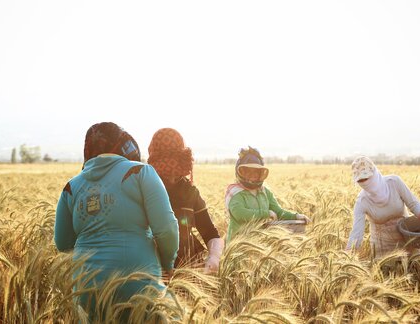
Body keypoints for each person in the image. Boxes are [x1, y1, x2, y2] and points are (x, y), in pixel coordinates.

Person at [54, 122, 179, 320]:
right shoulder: (140, 172)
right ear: (123, 145)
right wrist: (167, 264)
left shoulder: (71, 187)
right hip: (140, 283)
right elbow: (167, 229)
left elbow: (62, 243)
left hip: (87, 289)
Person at [148, 128, 224, 273]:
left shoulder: (190, 192)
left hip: (189, 267)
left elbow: (209, 232)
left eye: (176, 173)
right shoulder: (144, 188)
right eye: (165, 173)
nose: (171, 179)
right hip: (153, 270)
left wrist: (214, 257)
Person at [346, 156, 420, 258]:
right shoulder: (362, 201)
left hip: (408, 240)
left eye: (366, 178)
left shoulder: (394, 182)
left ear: (375, 173)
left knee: (413, 269)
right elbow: (356, 233)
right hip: (382, 248)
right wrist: (347, 257)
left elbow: (413, 204)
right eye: (360, 181)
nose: (365, 183)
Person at [224, 147, 311, 242]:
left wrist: (296, 216)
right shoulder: (236, 193)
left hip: (259, 243)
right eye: (248, 171)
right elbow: (240, 213)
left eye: (256, 172)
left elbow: (278, 211)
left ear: (261, 173)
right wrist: (266, 213)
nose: (252, 175)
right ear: (240, 172)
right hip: (238, 244)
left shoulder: (264, 192)